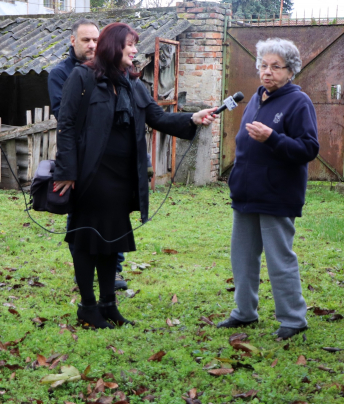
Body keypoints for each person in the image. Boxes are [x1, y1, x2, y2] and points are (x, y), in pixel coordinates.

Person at [53, 22, 216, 329]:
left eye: (134, 44)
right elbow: (67, 124)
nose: (134, 50)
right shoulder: (82, 76)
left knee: (110, 242)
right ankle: (87, 307)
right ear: (113, 46)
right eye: (129, 44)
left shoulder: (132, 83)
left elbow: (157, 117)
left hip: (121, 178)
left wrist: (192, 118)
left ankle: (108, 305)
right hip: (91, 176)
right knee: (87, 241)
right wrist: (67, 171)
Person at [217, 38, 319, 340]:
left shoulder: (299, 102)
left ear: (291, 70)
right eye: (263, 65)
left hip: (277, 195)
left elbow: (309, 148)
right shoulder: (255, 99)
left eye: (276, 67)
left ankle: (293, 319)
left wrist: (273, 138)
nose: (267, 72)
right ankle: (244, 312)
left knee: (279, 260)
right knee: (242, 258)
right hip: (246, 193)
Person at [48, 18, 129, 290]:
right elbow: (65, 117)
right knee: (80, 216)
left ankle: (113, 271)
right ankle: (82, 272)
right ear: (73, 41)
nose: (92, 45)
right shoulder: (61, 74)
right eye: (86, 40)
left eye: (96, 40)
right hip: (81, 158)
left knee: (113, 214)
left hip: (111, 161)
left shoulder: (113, 71)